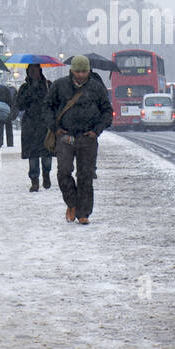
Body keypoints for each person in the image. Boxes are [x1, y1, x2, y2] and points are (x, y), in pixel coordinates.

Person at [44, 54, 112, 224]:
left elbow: (107, 112)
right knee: (64, 172)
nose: (81, 75)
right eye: (78, 71)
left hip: (87, 137)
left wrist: (96, 131)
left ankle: (84, 213)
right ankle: (72, 203)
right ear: (72, 71)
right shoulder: (60, 86)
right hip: (65, 136)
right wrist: (55, 128)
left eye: (84, 71)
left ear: (89, 71)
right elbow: (47, 107)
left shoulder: (96, 88)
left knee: (85, 176)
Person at [16, 62, 53, 192]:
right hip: (30, 126)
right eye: (31, 71)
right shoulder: (24, 88)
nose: (34, 73)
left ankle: (46, 174)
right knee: (32, 156)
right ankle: (34, 180)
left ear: (40, 71)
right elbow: (20, 105)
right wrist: (30, 91)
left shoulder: (48, 85)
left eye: (36, 70)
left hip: (45, 124)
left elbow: (54, 103)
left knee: (47, 154)